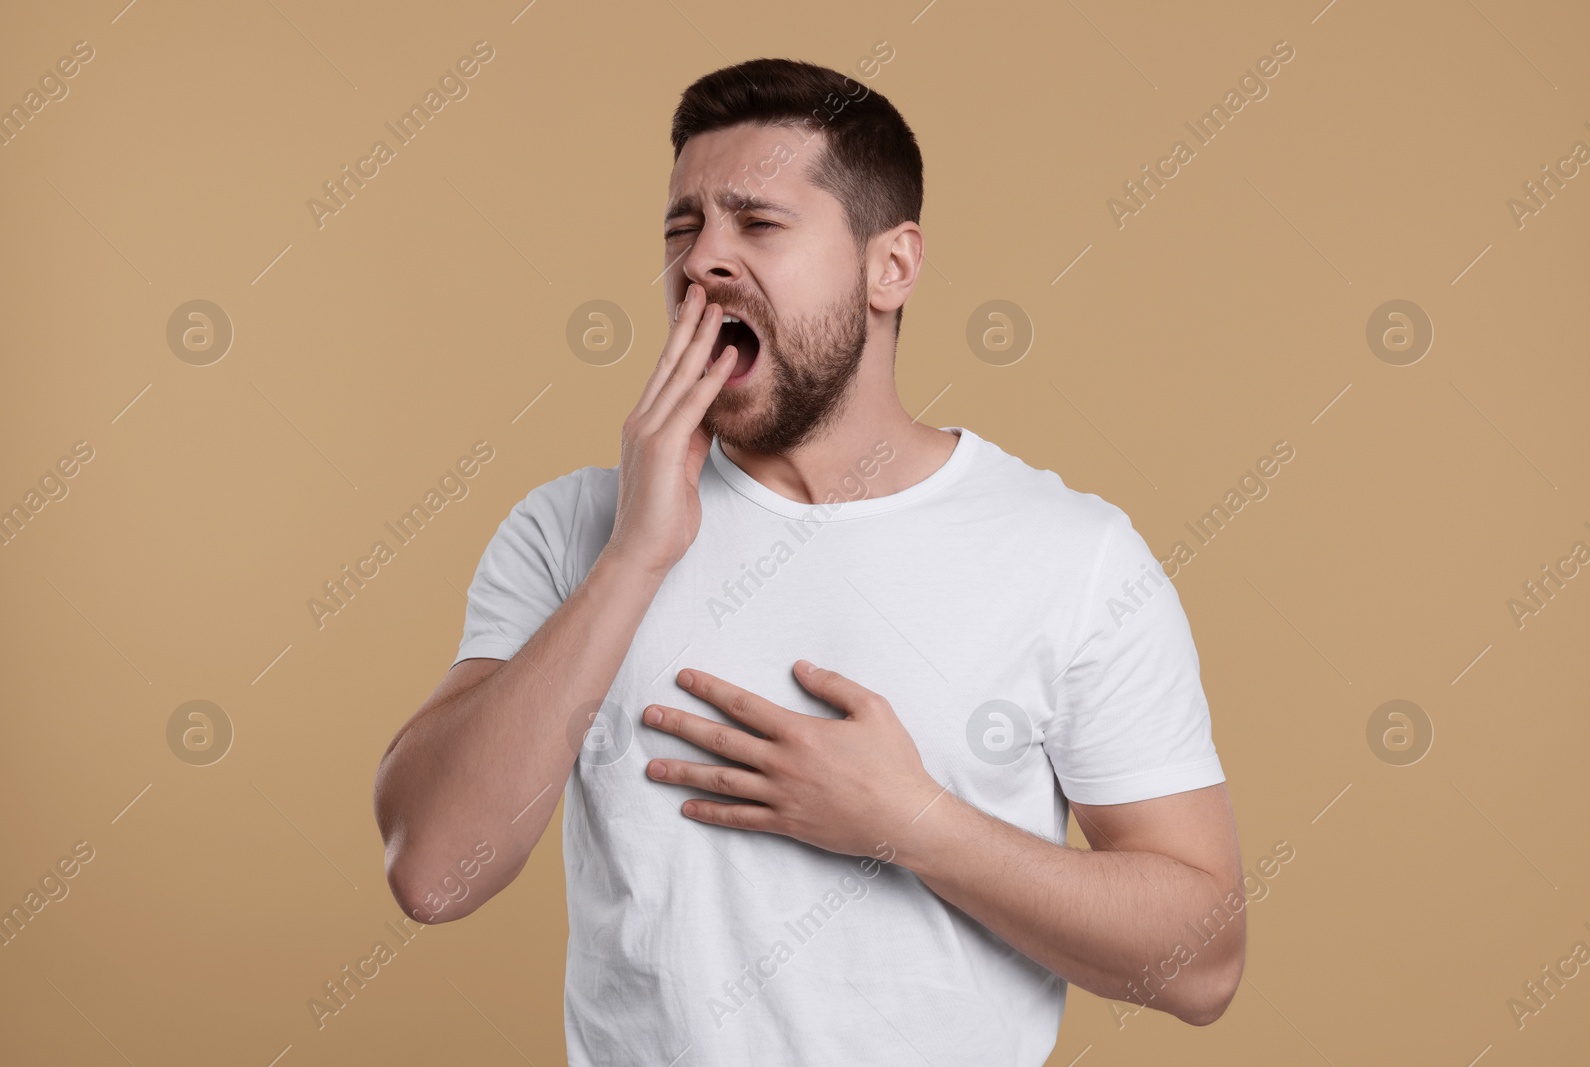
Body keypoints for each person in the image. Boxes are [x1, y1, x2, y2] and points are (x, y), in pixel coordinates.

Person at [373, 56, 1244, 1066]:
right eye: (682, 227)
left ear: (892, 266)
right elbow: (433, 872)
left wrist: (911, 822)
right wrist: (635, 557)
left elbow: (1199, 962)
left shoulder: (1072, 555)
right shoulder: (572, 528)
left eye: (758, 223)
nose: (703, 260)